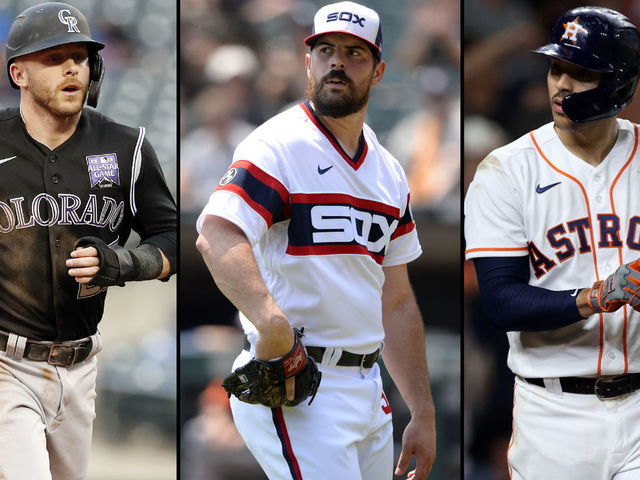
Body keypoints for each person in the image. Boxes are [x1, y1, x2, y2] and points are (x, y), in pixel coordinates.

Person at [195, 2, 436, 479]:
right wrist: (271, 322)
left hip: (369, 388)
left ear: (379, 69)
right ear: (309, 62)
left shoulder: (388, 172)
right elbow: (216, 233)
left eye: (354, 53)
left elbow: (398, 300)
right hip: (300, 380)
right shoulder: (278, 145)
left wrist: (423, 411)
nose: (337, 62)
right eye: (325, 50)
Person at [0, 3, 176, 479]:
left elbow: (173, 237)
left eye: (80, 56)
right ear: (19, 72)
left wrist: (121, 263)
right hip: (5, 364)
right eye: (54, 57)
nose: (72, 67)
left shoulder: (125, 146)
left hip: (82, 366)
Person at [465, 6, 640, 479]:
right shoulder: (506, 170)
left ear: (620, 83)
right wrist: (597, 297)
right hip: (556, 414)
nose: (561, 83)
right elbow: (501, 300)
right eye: (556, 67)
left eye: (581, 72)